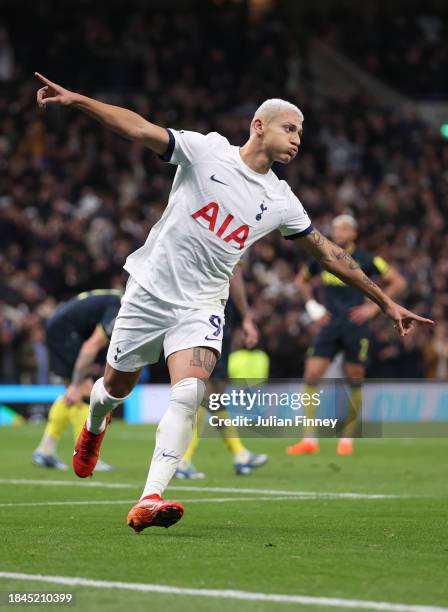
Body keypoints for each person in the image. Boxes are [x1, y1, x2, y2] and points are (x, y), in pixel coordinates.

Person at [35, 73, 433, 533]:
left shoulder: (281, 200)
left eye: (301, 132)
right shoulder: (206, 152)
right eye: (290, 128)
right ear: (259, 125)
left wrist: (385, 302)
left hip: (202, 305)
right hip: (148, 292)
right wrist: (79, 99)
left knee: (189, 393)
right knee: (114, 387)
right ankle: (94, 424)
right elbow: (139, 128)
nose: (298, 139)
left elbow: (328, 253)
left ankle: (150, 497)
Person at [286, 215, 406, 456]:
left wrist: (373, 308)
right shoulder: (323, 254)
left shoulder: (368, 259)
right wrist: (312, 306)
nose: (337, 232)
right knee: (311, 375)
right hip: (330, 325)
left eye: (342, 228)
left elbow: (398, 281)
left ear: (354, 233)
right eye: (335, 228)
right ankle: (309, 439)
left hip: (355, 326)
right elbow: (301, 281)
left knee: (355, 379)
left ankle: (347, 439)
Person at [175, 262, 268, 479]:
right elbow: (234, 277)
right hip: (212, 322)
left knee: (214, 396)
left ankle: (240, 454)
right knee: (205, 393)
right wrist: (246, 316)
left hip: (200, 319)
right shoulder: (229, 242)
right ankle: (182, 459)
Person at [32, 289, 121, 471]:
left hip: (60, 326)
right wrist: (76, 382)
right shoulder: (120, 306)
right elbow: (91, 346)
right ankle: (85, 456)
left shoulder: (113, 297)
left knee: (73, 395)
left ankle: (45, 450)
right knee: (84, 392)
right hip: (65, 332)